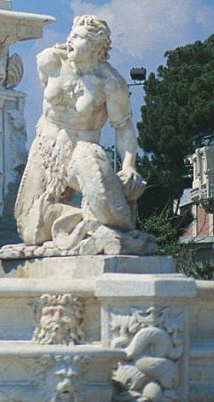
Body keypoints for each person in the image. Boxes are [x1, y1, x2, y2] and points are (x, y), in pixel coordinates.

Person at [13, 15, 149, 254]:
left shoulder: (111, 83)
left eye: (78, 36)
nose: (69, 39)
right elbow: (45, 79)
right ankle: (87, 222)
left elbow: (124, 128)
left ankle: (101, 219)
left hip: (80, 153)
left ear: (96, 46)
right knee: (30, 230)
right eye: (71, 34)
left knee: (98, 188)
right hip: (45, 149)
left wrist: (129, 166)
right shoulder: (51, 61)